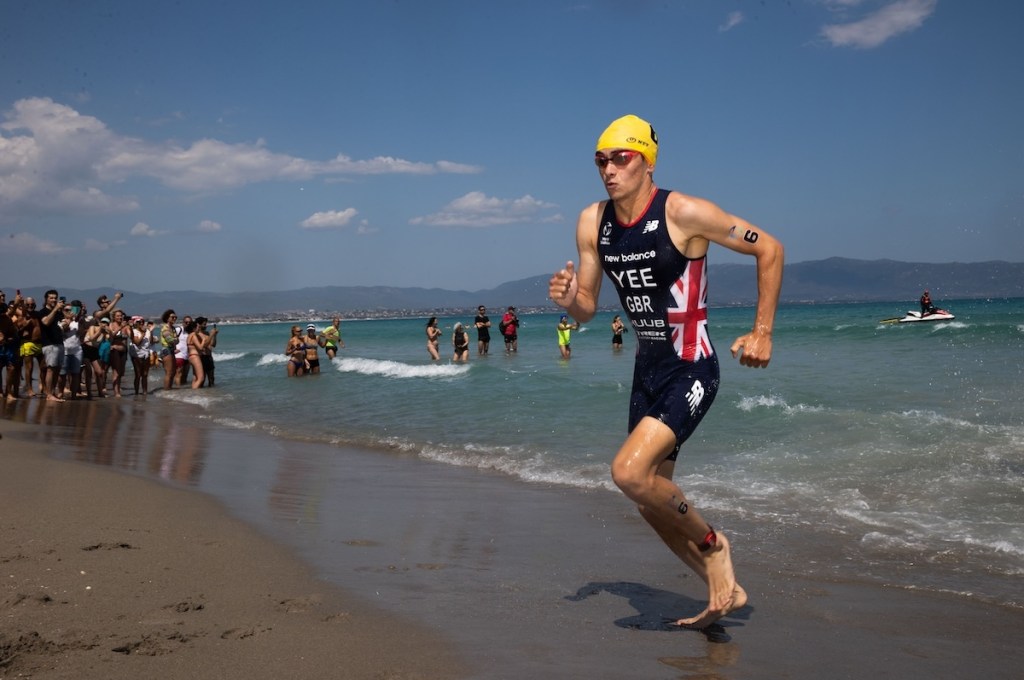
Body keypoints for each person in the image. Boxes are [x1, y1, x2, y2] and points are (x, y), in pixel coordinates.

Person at [548, 114, 784, 629]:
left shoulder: (684, 212)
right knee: (651, 500)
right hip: (647, 370)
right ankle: (722, 587)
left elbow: (769, 247)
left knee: (629, 473)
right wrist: (570, 300)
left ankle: (713, 545)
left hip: (692, 365)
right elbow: (588, 305)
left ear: (647, 162)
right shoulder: (593, 222)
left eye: (621, 158)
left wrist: (762, 331)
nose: (608, 170)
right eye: (600, 160)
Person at [129, 315, 152, 395]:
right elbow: (137, 342)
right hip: (136, 354)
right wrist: (143, 333)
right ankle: (136, 392)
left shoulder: (148, 331)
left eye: (142, 322)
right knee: (138, 374)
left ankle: (145, 391)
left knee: (145, 374)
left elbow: (151, 342)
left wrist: (150, 331)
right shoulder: (134, 331)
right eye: (139, 322)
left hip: (146, 353)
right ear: (136, 323)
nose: (141, 323)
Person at [158, 310, 179, 390]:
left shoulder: (173, 328)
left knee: (173, 372)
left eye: (175, 317)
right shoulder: (165, 328)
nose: (174, 318)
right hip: (166, 350)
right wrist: (175, 340)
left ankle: (169, 389)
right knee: (169, 372)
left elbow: (175, 341)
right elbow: (170, 340)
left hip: (171, 350)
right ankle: (166, 391)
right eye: (172, 317)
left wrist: (175, 340)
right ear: (167, 318)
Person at [195, 317, 218, 386]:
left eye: (206, 324)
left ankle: (211, 393)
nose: (206, 326)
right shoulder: (197, 334)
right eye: (204, 324)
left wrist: (214, 335)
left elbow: (213, 345)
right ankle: (200, 394)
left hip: (209, 357)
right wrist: (211, 335)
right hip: (201, 357)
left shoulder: (207, 333)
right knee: (202, 378)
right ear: (199, 325)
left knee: (211, 378)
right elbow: (204, 345)